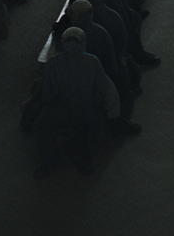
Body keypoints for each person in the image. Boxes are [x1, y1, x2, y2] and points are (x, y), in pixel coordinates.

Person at [35, 26, 120, 178]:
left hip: (61, 108)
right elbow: (102, 89)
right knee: (91, 128)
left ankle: (48, 162)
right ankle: (83, 160)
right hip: (85, 108)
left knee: (41, 127)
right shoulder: (93, 61)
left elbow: (47, 95)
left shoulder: (53, 63)